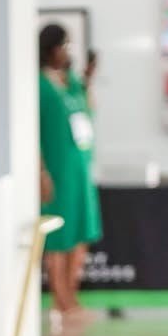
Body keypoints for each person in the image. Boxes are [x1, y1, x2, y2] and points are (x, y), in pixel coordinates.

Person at [38, 23, 103, 320]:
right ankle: (60, 300)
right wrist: (41, 172)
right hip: (57, 171)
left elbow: (89, 112)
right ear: (51, 48)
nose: (67, 52)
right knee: (59, 237)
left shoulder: (73, 81)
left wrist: (88, 79)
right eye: (63, 46)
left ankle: (72, 298)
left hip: (80, 168)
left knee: (81, 233)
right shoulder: (39, 85)